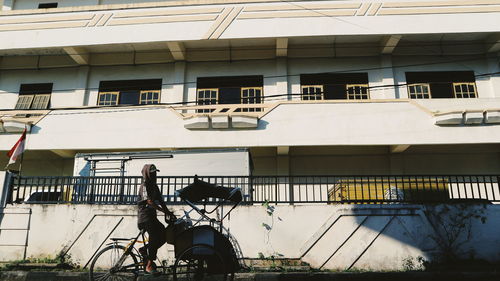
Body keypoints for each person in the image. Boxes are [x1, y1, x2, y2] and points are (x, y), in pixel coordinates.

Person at [137, 164, 176, 274]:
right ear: (147, 174)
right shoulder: (144, 186)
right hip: (144, 219)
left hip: (152, 218)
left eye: (155, 173)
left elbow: (161, 201)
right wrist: (164, 211)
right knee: (154, 236)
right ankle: (149, 265)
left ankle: (145, 249)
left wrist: (168, 212)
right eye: (152, 173)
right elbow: (150, 202)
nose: (155, 175)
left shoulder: (155, 186)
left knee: (164, 234)